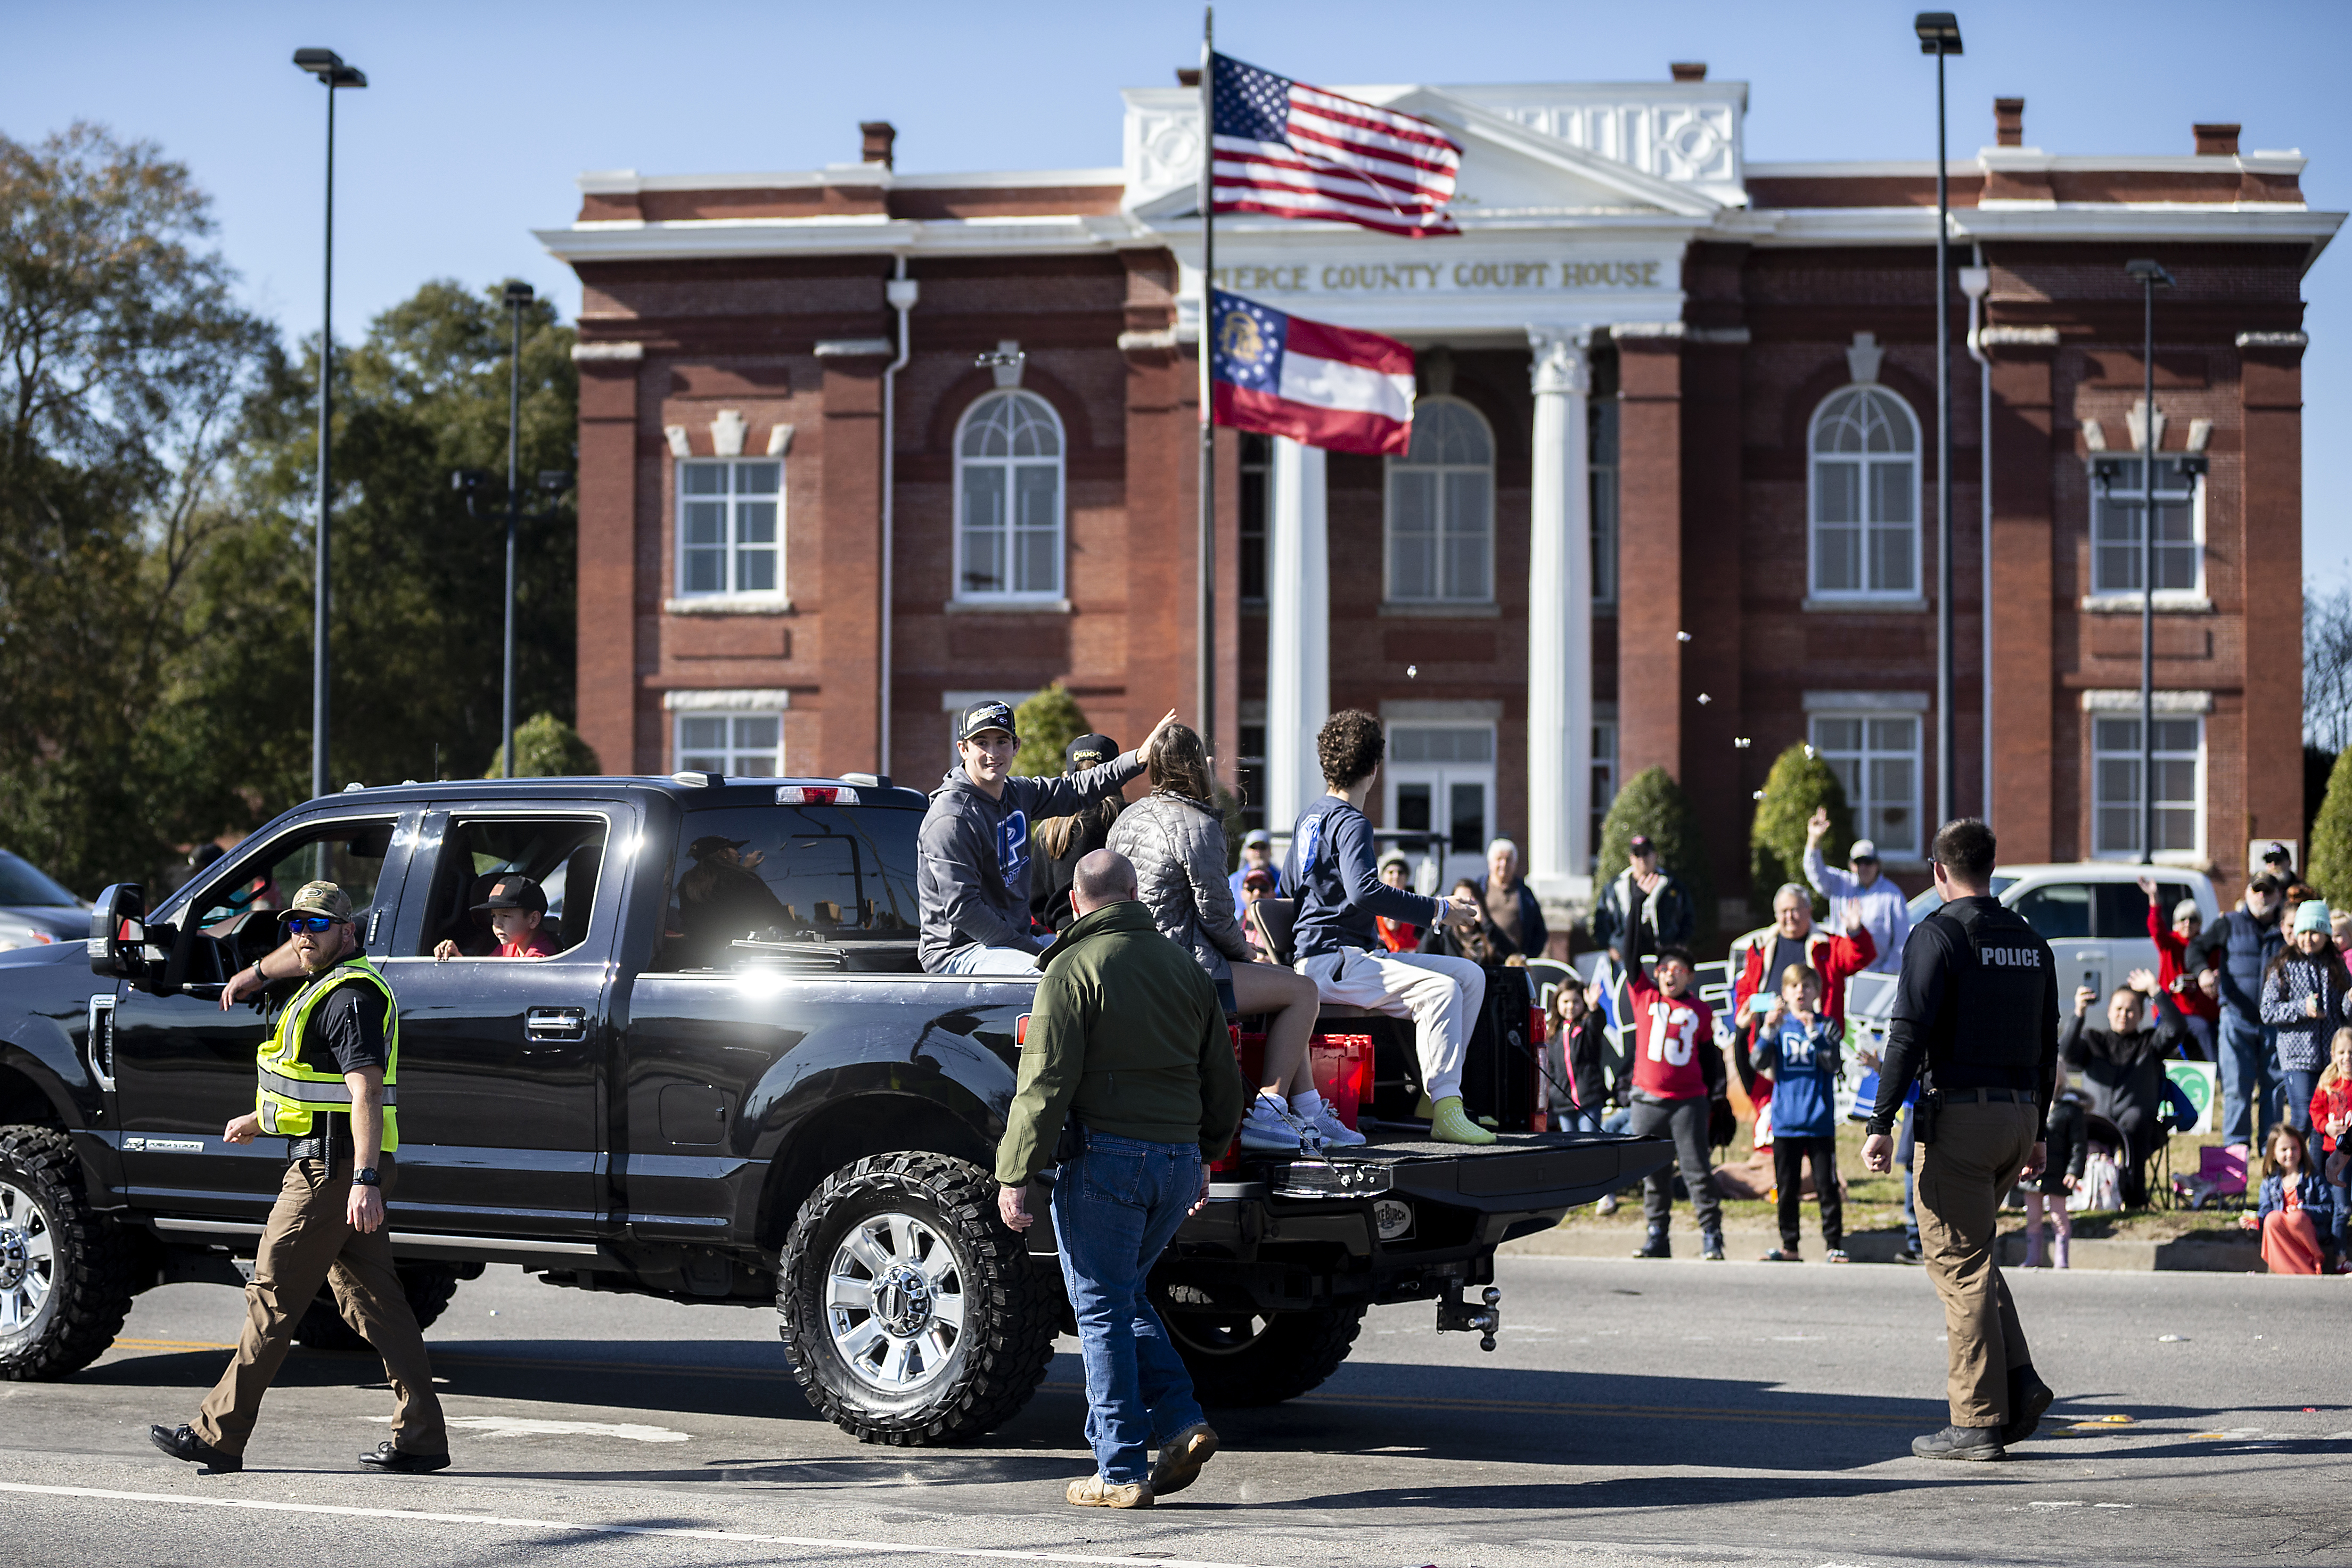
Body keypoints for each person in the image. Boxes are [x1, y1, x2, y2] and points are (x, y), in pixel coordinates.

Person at [151, 882, 448, 1476]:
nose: (304, 934)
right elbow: (314, 1091)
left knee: (273, 1295)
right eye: (296, 925)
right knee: (376, 1303)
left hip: (331, 1170)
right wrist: (259, 1119)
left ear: (349, 931)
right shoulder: (323, 982)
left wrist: (363, 1178)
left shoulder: (348, 998)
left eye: (317, 924)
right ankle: (421, 1437)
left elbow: (362, 1091)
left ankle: (218, 1433)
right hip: (336, 1160)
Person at [995, 850, 1243, 1509]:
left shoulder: (1072, 968)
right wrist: (1204, 1155)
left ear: (1075, 903)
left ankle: (1119, 1469)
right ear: (1135, 895)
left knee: (1100, 1306)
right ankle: (1182, 1420)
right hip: (1176, 1162)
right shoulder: (1186, 968)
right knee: (1123, 1294)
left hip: (1106, 1160)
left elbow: (1044, 1084)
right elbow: (1223, 1077)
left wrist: (1016, 1172)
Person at [1863, 817, 2058, 1462]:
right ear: (1991, 866)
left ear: (1938, 870)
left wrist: (1880, 1120)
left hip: (1962, 1122)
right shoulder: (2031, 941)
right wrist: (2040, 1131)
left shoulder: (1937, 933)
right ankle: (2019, 1382)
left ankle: (1975, 1421)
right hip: (2018, 1117)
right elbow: (2046, 1044)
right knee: (1975, 1253)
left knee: (1958, 1264)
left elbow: (1906, 1032)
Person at [1105, 721, 1348, 1152]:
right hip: (1184, 970)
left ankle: (1309, 1110)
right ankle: (1270, 1112)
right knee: (1302, 990)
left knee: (1283, 984)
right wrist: (1247, 951)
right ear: (1197, 764)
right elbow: (1216, 915)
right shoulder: (1198, 823)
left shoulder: (1127, 818)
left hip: (1131, 965)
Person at [1285, 711, 1492, 1146]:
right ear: (1374, 770)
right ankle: (1447, 1109)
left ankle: (1434, 1101)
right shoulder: (1350, 821)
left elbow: (1287, 888)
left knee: (1469, 976)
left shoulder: (1308, 818)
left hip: (1331, 958)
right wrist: (1439, 908)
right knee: (1441, 991)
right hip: (1333, 959)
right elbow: (1364, 892)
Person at [917, 700, 1172, 975]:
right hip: (960, 951)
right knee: (1051, 977)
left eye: (1002, 742)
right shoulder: (951, 819)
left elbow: (1076, 789)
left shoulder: (1018, 793)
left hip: (1014, 939)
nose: (993, 753)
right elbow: (964, 911)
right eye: (982, 743)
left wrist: (1137, 759)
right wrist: (1036, 950)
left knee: (1108, 959)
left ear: (1016, 746)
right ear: (963, 749)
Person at [1622, 912, 1728, 1261]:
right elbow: (1629, 954)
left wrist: (1717, 1098)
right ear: (1656, 973)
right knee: (1654, 1172)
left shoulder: (1700, 1010)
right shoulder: (1644, 997)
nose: (1671, 973)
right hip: (1646, 1100)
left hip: (1688, 1102)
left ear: (1689, 976)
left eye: (1678, 969)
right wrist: (1636, 905)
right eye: (1665, 967)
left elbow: (1710, 1058)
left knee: (1696, 1168)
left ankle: (1711, 1235)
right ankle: (1657, 1235)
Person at [1731, 883, 1876, 1104]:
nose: (1790, 917)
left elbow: (1860, 958)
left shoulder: (1827, 946)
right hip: (1772, 1051)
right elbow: (1746, 991)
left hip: (1816, 1054)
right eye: (1783, 911)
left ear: (1809, 910)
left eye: (1795, 910)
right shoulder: (1760, 947)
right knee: (1768, 1128)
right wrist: (1749, 1011)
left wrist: (1856, 933)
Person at [2063, 968, 2189, 1210]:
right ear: (2109, 1012)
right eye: (2119, 1009)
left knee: (2136, 1119)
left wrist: (2155, 991)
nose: (2124, 1015)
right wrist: (2079, 1012)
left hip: (2137, 1126)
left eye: (2131, 1010)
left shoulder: (2150, 1044)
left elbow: (2177, 1028)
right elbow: (2067, 1052)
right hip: (2095, 1123)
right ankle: (2069, 1192)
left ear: (2141, 1015)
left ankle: (2134, 1198)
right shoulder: (2093, 1041)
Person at [1753, 964, 1847, 1263]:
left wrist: (1813, 1032)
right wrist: (1768, 1030)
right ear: (1784, 993)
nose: (1800, 992)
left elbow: (1833, 1064)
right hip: (1786, 1121)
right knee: (1787, 1187)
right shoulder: (1777, 1026)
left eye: (1806, 986)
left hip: (1819, 1121)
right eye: (1794, 986)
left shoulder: (1827, 1025)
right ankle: (1789, 1246)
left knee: (1826, 1186)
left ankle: (1834, 1245)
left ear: (1816, 992)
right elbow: (1757, 1061)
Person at [2189, 872, 2284, 1150]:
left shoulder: (2287, 927)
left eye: (2268, 892)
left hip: (2276, 1022)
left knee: (2275, 1089)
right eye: (2257, 891)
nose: (2262, 897)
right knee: (2237, 1090)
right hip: (2236, 1019)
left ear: (2278, 896)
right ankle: (2237, 1150)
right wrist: (2203, 972)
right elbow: (2196, 949)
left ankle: (2273, 1150)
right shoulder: (2228, 924)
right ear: (2247, 892)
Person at [2259, 900, 2348, 1135]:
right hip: (2298, 1059)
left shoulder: (2337, 966)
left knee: (2328, 1119)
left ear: (2327, 934)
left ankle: (2317, 1172)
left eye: (2315, 932)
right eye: (2303, 932)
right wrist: (2302, 1008)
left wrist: (2350, 1000)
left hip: (2330, 1058)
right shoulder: (2284, 965)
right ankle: (2289, 1166)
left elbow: (2344, 1013)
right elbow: (2268, 1011)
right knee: (2305, 1115)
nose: (2308, 938)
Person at [1030, 733, 1124, 938]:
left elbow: (1035, 899)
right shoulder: (1124, 816)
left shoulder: (1048, 827)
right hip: (1115, 933)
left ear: (1067, 776)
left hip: (1062, 938)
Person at [1801, 807, 1910, 974]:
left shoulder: (1892, 895)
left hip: (1874, 975)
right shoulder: (1841, 883)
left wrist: (1886, 972)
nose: (1864, 867)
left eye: (1869, 862)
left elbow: (1901, 941)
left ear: (1878, 864)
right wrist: (1814, 840)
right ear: (1852, 865)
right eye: (1859, 863)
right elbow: (1815, 871)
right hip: (1841, 972)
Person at [676, 834, 795, 962]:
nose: (740, 856)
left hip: (698, 962)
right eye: (735, 851)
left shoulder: (687, 882)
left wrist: (744, 870)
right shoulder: (743, 878)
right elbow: (778, 918)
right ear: (723, 853)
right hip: (743, 963)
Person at [2240, 1124, 2338, 1274]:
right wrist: (2252, 1221)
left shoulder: (2313, 1178)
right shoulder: (2269, 1183)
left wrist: (2304, 1211)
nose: (2290, 1153)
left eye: (2294, 1148)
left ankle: (2311, 1265)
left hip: (2309, 1234)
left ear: (2302, 1150)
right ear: (2273, 1153)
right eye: (2284, 1150)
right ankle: (2286, 1269)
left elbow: (2328, 1209)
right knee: (2273, 1219)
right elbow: (2265, 1212)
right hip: (2282, 1237)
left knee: (2296, 1218)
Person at [1588, 834, 1693, 969]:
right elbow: (1601, 921)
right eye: (1637, 855)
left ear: (1655, 855)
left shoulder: (1672, 886)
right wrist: (1611, 948)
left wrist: (1678, 945)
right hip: (1625, 956)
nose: (1642, 859)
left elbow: (1688, 918)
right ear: (1631, 859)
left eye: (1646, 853)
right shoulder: (1616, 887)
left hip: (1663, 955)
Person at [2140, 876, 2216, 1060]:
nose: (2188, 923)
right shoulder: (2170, 944)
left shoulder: (2208, 947)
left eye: (2193, 919)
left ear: (2200, 924)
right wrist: (2154, 899)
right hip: (2172, 1010)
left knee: (2206, 1029)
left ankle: (2216, 1074)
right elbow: (2156, 928)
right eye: (2183, 919)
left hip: (2199, 1012)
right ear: (2175, 924)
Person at [2023, 1089, 2087, 1269]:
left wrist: (2074, 1171)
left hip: (2058, 1173)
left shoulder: (2070, 1109)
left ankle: (2062, 1259)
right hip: (2033, 1171)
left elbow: (2079, 1145)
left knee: (2058, 1217)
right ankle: (2033, 1257)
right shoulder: (2030, 1102)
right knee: (2033, 1217)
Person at [433, 874, 558, 960]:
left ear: (533, 920)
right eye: (494, 916)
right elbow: (485, 975)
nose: (497, 924)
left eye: (506, 915)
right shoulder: (511, 945)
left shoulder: (538, 959)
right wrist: (457, 957)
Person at [1546, 979, 1612, 1134]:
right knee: (1571, 1145)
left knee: (1590, 1142)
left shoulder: (1586, 1026)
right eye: (1566, 1001)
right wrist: (1554, 1093)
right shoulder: (1553, 1033)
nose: (1570, 1006)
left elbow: (1598, 1023)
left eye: (1576, 1001)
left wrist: (1594, 1007)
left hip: (1589, 1099)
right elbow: (1551, 1067)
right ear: (1557, 1003)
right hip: (1563, 1103)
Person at [2309, 1029, 2351, 1268]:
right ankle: (2341, 1259)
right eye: (2343, 1052)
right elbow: (2315, 1111)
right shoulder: (2328, 1084)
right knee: (2342, 1208)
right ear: (2334, 1054)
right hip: (2337, 1154)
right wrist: (2327, 1127)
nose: (2348, 1057)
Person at [1476, 838, 1550, 963]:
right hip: (1486, 959)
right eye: (1499, 859)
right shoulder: (1479, 889)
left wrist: (1529, 955)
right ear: (1490, 863)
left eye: (1508, 860)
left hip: (1516, 961)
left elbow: (1539, 930)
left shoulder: (1525, 893)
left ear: (1515, 864)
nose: (1504, 864)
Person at [1423, 877, 1502, 965]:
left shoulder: (1488, 932)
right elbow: (1423, 954)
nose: (1464, 907)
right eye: (1460, 902)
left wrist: (1485, 922)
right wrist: (1436, 924)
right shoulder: (1446, 934)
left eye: (1469, 902)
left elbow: (1508, 954)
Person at [1373, 850, 1423, 953]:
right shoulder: (1373, 903)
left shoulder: (1416, 903)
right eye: (1391, 872)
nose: (1396, 876)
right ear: (1382, 877)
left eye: (1400, 872)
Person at [1228, 827, 1281, 906]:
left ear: (1270, 851)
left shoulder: (1283, 880)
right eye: (1253, 847)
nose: (1258, 852)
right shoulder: (1233, 882)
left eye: (1263, 847)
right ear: (1245, 852)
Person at [1238, 867, 1278, 960]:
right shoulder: (1233, 927)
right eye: (1251, 888)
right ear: (1242, 893)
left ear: (1274, 893)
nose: (1257, 893)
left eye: (1264, 888)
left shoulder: (1282, 930)